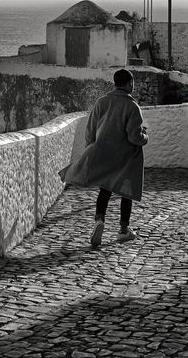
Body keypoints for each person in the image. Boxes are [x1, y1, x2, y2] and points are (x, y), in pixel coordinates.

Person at [59, 68, 147, 247]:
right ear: (129, 83)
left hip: (104, 153)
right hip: (126, 157)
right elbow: (134, 137)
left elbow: (90, 131)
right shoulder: (132, 107)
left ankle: (99, 220)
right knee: (126, 192)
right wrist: (145, 137)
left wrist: (91, 150)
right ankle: (123, 230)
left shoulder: (101, 102)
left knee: (105, 189)